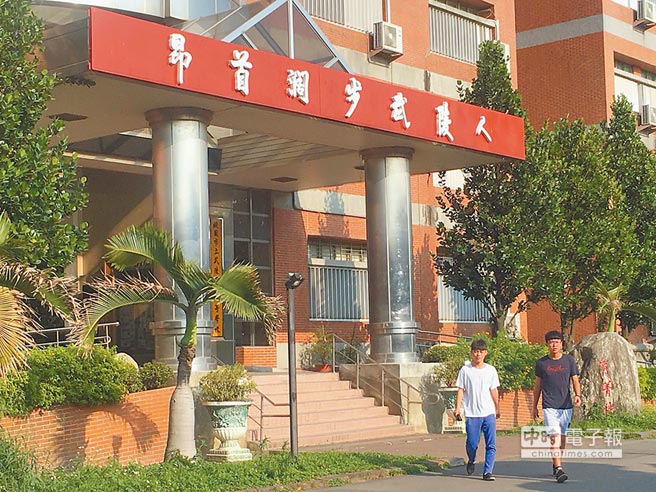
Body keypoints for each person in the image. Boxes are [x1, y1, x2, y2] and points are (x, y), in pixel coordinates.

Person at [532, 330, 581, 484]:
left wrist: (578, 395)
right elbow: (537, 386)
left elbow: (575, 380)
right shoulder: (541, 363)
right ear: (547, 344)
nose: (554, 345)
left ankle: (556, 462)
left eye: (557, 342)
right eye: (551, 342)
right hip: (549, 406)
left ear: (561, 344)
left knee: (562, 438)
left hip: (565, 405)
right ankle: (559, 469)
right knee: (554, 436)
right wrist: (534, 406)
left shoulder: (569, 361)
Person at [454, 338, 501, 481]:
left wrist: (497, 407)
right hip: (472, 413)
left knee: (491, 444)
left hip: (488, 413)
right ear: (471, 353)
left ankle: (488, 472)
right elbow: (461, 389)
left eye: (481, 351)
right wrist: (458, 408)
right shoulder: (465, 370)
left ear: (485, 353)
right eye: (475, 351)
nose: (478, 354)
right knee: (472, 443)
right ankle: (471, 459)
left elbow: (493, 390)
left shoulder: (490, 370)